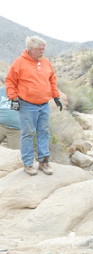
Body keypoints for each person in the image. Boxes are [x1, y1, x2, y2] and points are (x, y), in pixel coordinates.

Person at [5, 36, 63, 176]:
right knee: (28, 134)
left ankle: (43, 161)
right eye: (39, 49)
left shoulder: (46, 62)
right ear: (31, 49)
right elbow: (10, 81)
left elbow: (52, 80)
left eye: (44, 49)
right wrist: (13, 98)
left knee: (44, 132)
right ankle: (28, 164)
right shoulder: (19, 62)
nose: (42, 51)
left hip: (44, 105)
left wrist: (56, 96)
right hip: (27, 105)